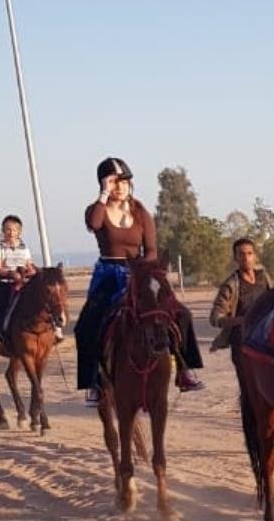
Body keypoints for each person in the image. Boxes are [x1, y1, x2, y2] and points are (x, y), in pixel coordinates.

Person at [75, 157, 204, 405]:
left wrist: (143, 271)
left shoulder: (141, 212)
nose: (120, 186)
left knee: (181, 313)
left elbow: (152, 249)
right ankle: (94, 382)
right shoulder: (96, 210)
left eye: (124, 181)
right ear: (104, 184)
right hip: (108, 272)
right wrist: (103, 194)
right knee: (86, 325)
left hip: (141, 273)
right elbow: (94, 225)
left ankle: (185, 369)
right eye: (113, 182)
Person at [209, 237, 270, 362]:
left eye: (249, 254)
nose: (246, 258)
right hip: (243, 343)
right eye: (241, 254)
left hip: (266, 338)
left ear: (255, 256)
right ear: (235, 258)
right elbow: (215, 318)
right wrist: (242, 320)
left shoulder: (263, 278)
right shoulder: (230, 285)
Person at [0, 215, 37, 340]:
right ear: (3, 231)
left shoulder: (24, 248)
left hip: (23, 282)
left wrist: (32, 272)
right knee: (0, 304)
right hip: (5, 282)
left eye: (14, 230)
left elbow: (29, 265)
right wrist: (11, 274)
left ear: (19, 231)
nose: (11, 233)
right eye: (8, 229)